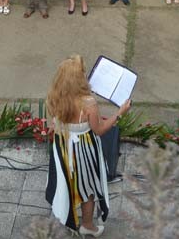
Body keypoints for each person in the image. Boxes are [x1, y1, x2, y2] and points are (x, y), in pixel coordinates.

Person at [45, 55, 130, 235]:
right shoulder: (88, 103)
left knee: (66, 182)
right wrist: (119, 113)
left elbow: (52, 124)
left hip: (63, 148)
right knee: (88, 188)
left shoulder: (54, 97)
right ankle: (88, 226)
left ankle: (66, 216)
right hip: (84, 150)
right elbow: (99, 130)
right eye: (83, 72)